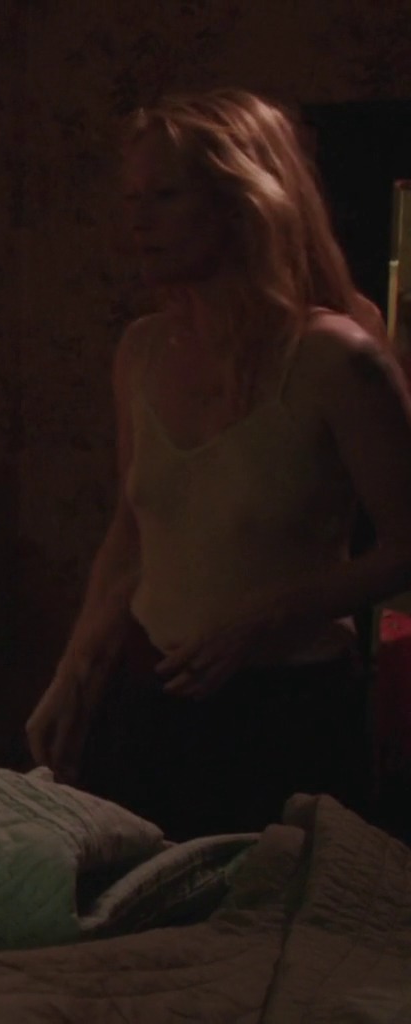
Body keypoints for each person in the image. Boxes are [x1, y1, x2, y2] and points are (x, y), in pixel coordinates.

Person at [24, 88, 411, 841]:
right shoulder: (141, 351)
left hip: (288, 713)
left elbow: (406, 544)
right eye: (132, 198)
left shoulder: (335, 359)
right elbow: (131, 534)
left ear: (243, 204)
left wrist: (266, 616)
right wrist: (75, 671)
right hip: (150, 700)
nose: (139, 219)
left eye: (166, 196)